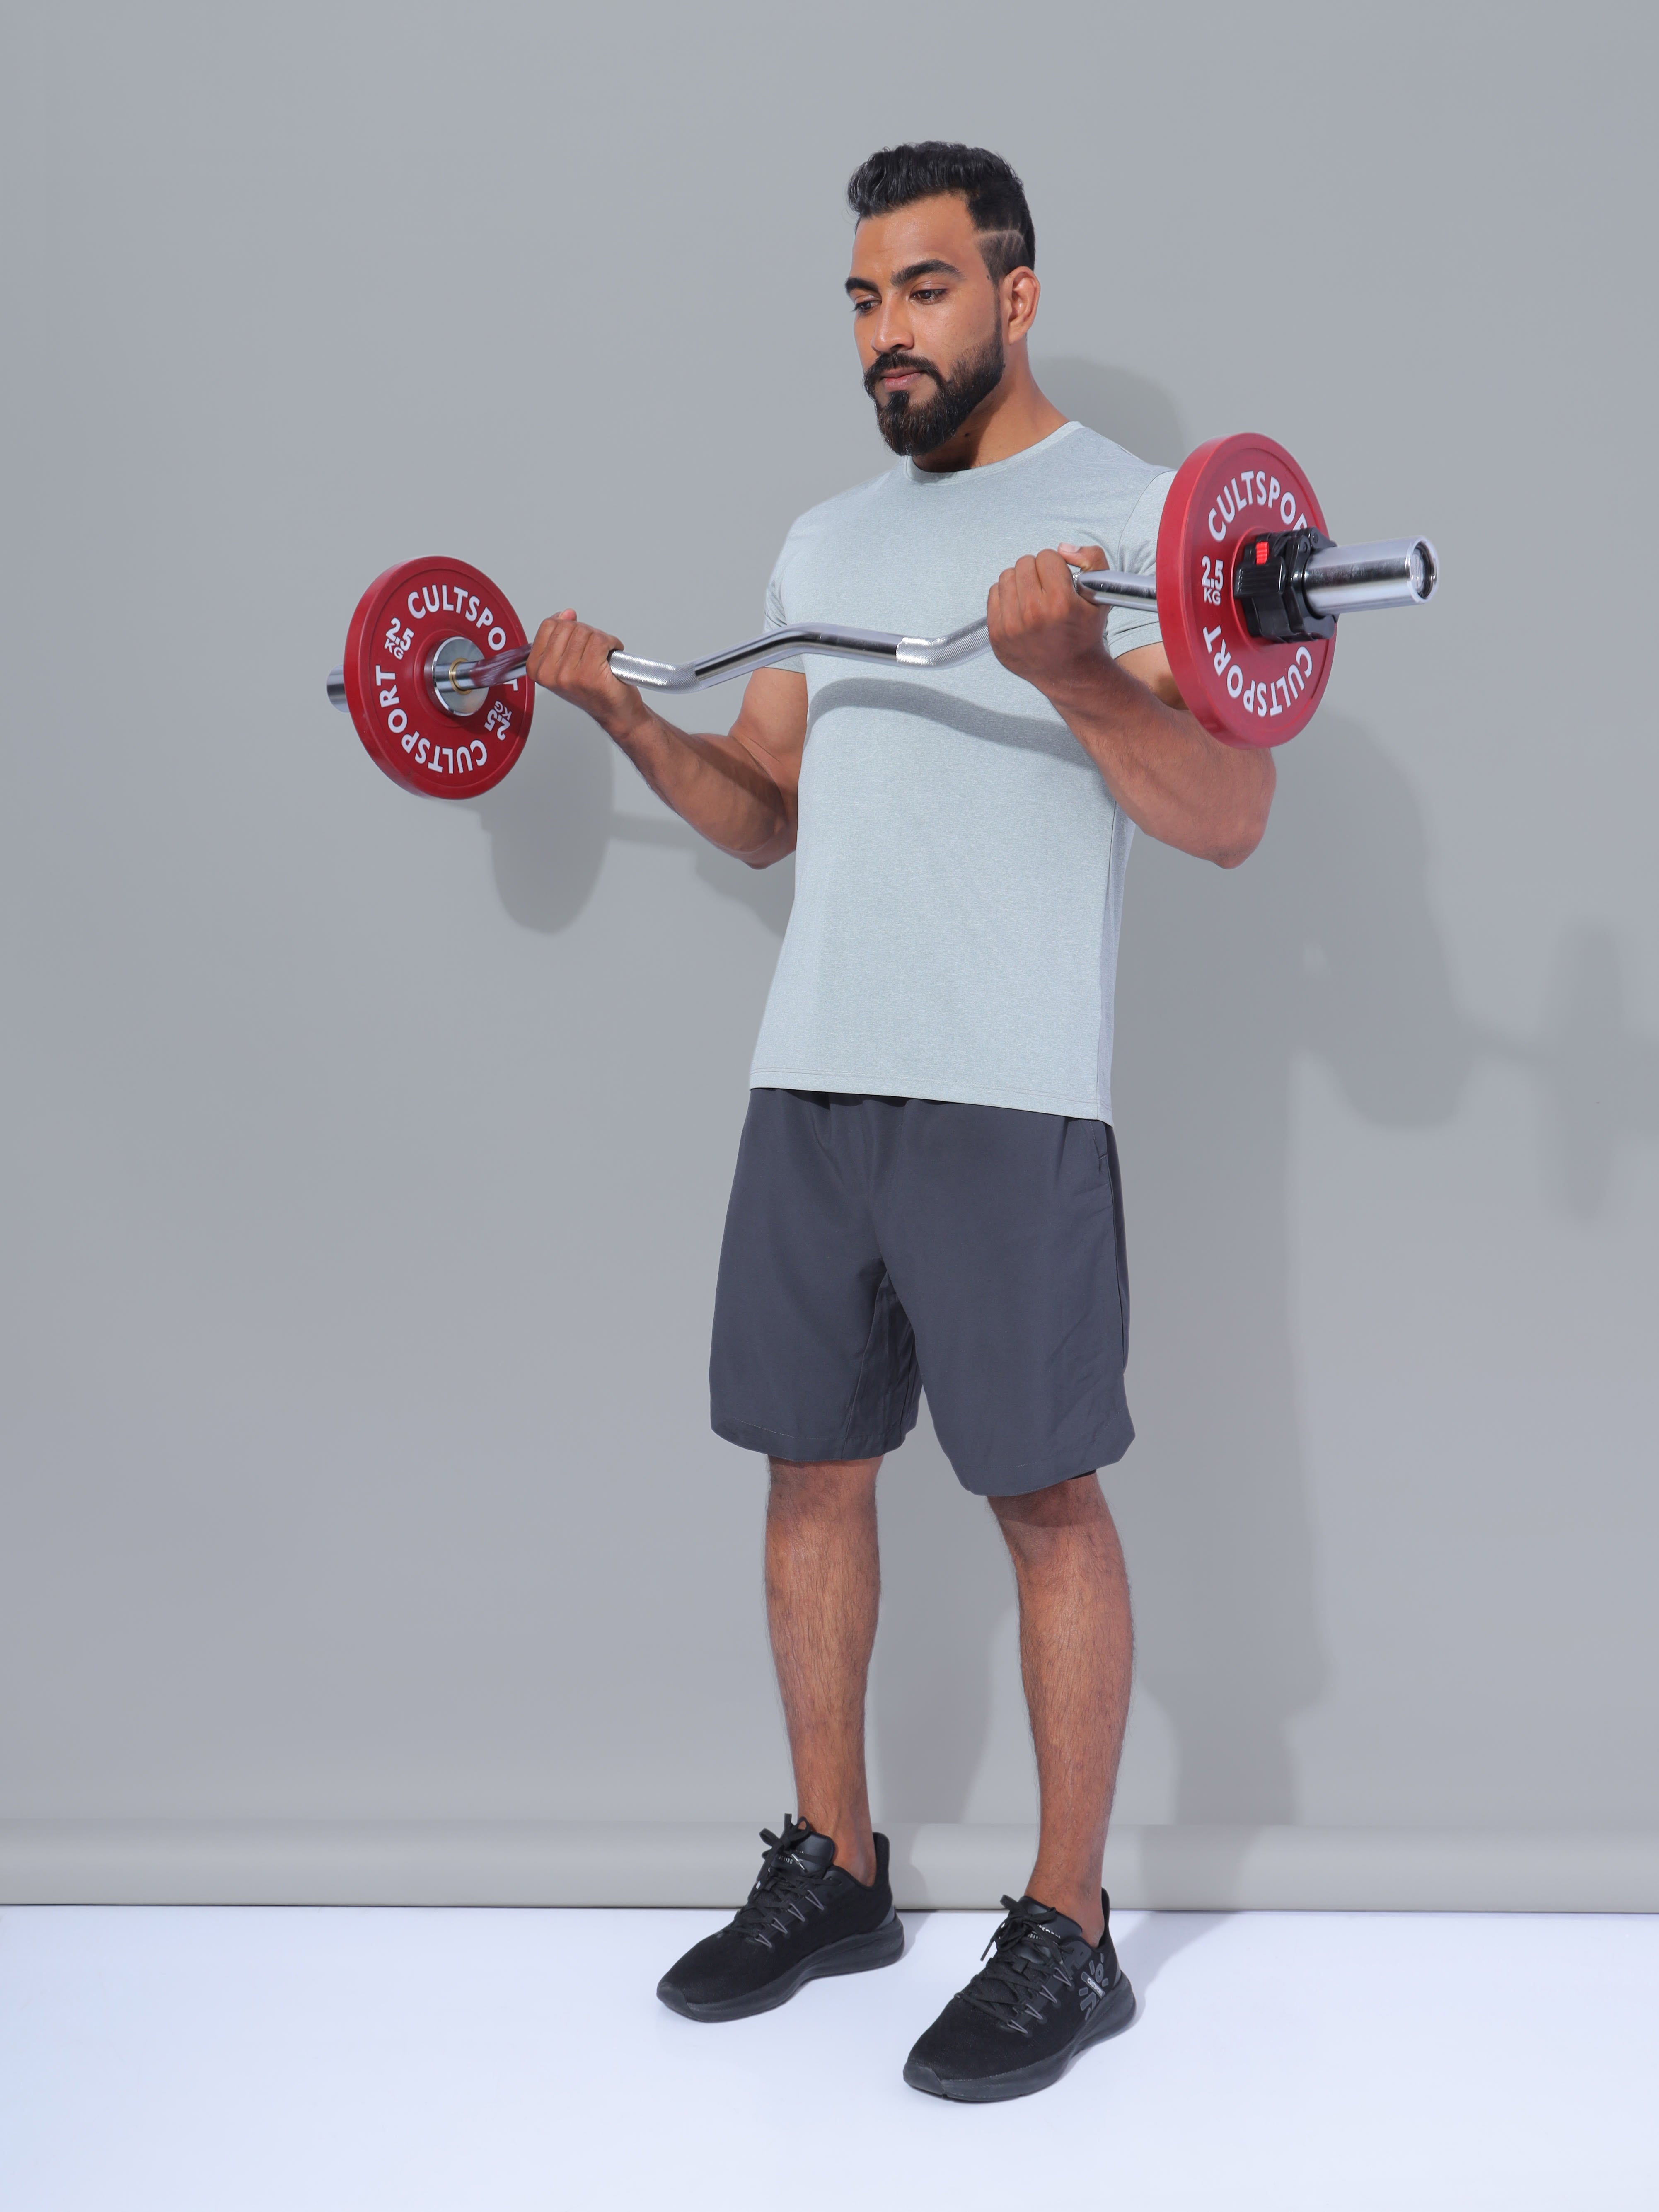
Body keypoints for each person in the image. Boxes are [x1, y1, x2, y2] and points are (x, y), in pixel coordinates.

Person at [526, 141, 1273, 2103]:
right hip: (812, 1079)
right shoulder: (825, 545)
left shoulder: (1135, 522)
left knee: (1041, 1498)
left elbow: (1225, 816)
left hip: (1007, 1088)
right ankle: (836, 1871)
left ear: (1012, 297)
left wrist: (1072, 671)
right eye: (863, 299)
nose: (887, 333)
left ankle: (1069, 1927)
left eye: (923, 291)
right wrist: (629, 719)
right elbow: (766, 816)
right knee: (810, 1472)